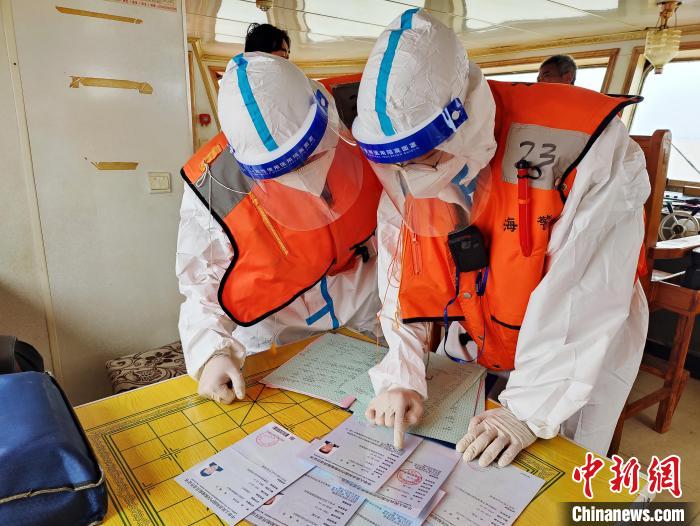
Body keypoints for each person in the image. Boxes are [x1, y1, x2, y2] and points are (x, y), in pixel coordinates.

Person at [352, 9, 649, 466]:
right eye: (397, 165)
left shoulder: (587, 145)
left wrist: (528, 412)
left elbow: (585, 293)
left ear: (464, 118)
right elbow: (401, 271)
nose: (412, 175)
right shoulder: (401, 168)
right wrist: (402, 374)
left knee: (557, 463)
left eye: (427, 157)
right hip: (480, 322)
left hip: (580, 343)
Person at [177, 52, 382, 404]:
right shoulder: (213, 188)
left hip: (367, 318)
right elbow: (201, 287)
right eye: (284, 172)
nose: (306, 179)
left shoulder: (365, 128)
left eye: (312, 156)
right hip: (275, 338)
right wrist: (212, 353)